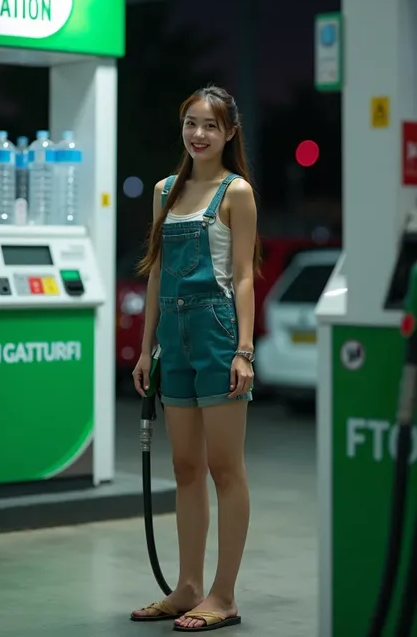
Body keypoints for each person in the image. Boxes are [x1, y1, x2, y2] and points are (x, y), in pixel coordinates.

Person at [130, 85, 260, 632]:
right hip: (173, 342)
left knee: (224, 469)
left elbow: (248, 275)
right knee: (185, 467)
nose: (198, 134)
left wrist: (244, 351)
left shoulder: (237, 192)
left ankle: (223, 595)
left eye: (210, 125)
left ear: (229, 133)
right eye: (190, 123)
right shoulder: (164, 190)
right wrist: (145, 346)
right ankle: (186, 586)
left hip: (217, 333)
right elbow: (157, 271)